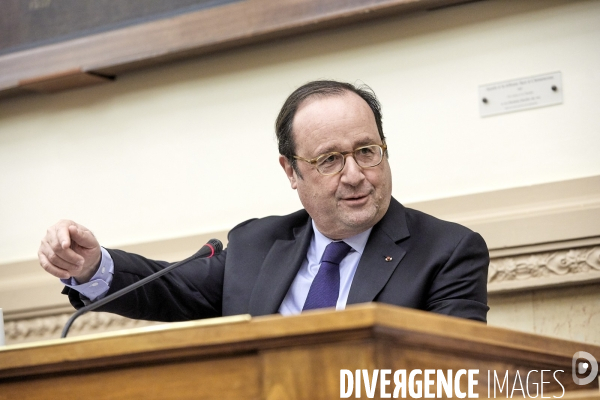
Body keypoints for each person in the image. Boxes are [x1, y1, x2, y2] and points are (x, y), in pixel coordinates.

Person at [38, 80, 489, 323]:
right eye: (330, 159)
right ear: (291, 172)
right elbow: (172, 289)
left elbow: (454, 376)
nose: (355, 175)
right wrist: (92, 268)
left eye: (367, 152)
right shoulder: (258, 243)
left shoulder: (446, 252)